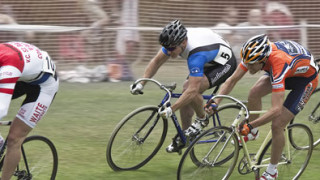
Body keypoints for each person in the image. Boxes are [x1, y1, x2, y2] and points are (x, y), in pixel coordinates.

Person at [205, 34, 319, 179]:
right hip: (289, 70)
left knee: (278, 124)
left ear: (263, 59)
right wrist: (216, 101)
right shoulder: (254, 55)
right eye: (247, 63)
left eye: (252, 64)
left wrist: (250, 124)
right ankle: (254, 134)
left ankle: (272, 171)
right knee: (254, 92)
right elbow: (231, 80)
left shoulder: (278, 63)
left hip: (305, 81)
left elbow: (276, 109)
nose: (249, 67)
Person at [130, 20, 237, 153]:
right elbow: (156, 61)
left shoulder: (196, 54)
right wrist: (141, 83)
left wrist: (172, 109)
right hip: (209, 56)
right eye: (166, 48)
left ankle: (202, 120)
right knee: (185, 96)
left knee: (189, 90)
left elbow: (192, 90)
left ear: (183, 43)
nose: (168, 52)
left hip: (223, 63)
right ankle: (186, 136)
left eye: (171, 49)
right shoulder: (173, 42)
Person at [0, 41, 59, 180]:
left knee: (14, 138)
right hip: (25, 76)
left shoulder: (9, 67)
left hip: (44, 86)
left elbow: (2, 109)